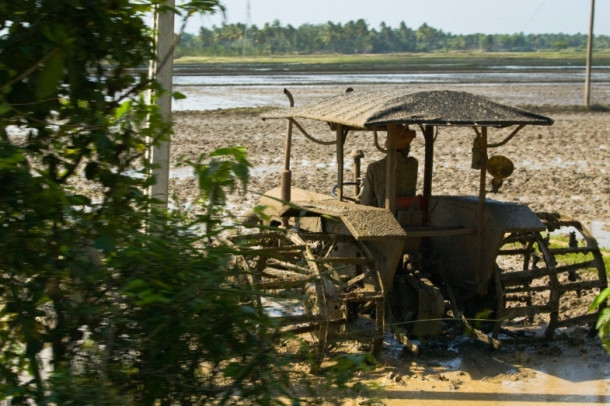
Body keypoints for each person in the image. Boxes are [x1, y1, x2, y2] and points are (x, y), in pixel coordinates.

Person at [360, 124, 418, 208]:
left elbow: (366, 202)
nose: (409, 147)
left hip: (383, 215)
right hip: (408, 213)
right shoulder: (413, 164)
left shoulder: (374, 168)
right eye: (408, 144)